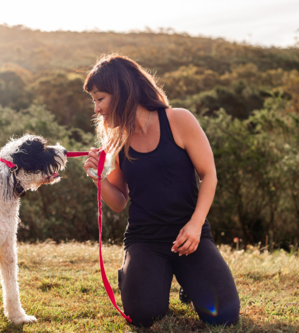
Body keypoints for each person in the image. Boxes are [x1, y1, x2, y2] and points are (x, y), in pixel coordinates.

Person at [82, 54, 240, 328]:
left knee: (224, 315)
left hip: (189, 235)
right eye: (94, 100)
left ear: (120, 92)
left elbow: (209, 175)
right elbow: (119, 202)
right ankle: (135, 274)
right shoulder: (118, 141)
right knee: (144, 316)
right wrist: (99, 180)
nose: (96, 109)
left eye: (100, 98)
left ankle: (188, 282)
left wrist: (195, 225)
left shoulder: (179, 120)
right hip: (145, 239)